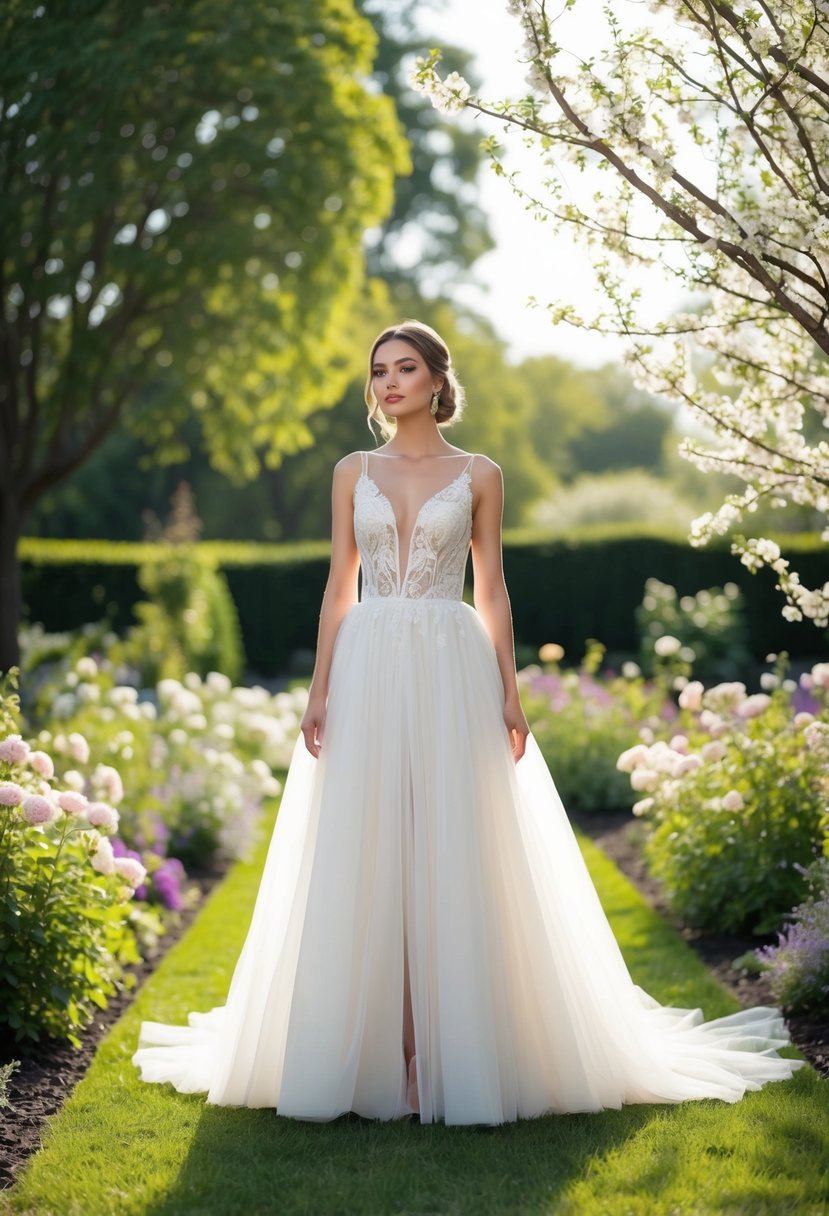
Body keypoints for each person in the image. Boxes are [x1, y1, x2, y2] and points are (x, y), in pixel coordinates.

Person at [132, 319, 805, 1125]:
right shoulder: (352, 471)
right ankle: (379, 1052)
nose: (387, 383)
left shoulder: (479, 474)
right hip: (369, 662)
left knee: (453, 844)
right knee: (369, 846)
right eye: (378, 370)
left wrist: (508, 693)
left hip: (451, 664)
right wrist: (318, 690)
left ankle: (445, 1054)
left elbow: (491, 590)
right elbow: (336, 587)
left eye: (404, 368)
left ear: (436, 381)